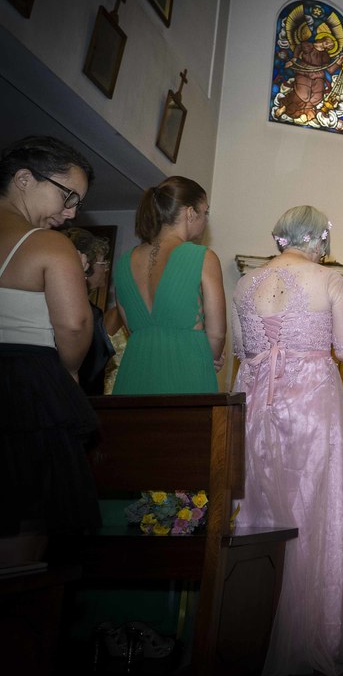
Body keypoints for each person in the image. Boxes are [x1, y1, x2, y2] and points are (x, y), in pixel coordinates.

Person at [233, 206, 343, 676]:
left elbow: (241, 350)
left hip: (255, 401)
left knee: (256, 505)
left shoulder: (244, 283)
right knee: (316, 508)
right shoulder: (327, 280)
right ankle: (316, 631)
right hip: (312, 400)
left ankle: (248, 628)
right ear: (316, 239)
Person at [0, 135, 100, 537]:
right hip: (24, 391)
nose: (72, 212)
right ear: (25, 179)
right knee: (25, 528)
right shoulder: (47, 245)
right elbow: (74, 325)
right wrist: (68, 374)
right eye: (68, 196)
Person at [111, 177, 225, 394]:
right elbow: (217, 333)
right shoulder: (203, 257)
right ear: (190, 213)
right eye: (205, 212)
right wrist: (210, 357)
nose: (206, 220)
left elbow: (130, 327)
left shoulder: (125, 262)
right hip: (187, 369)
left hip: (136, 370)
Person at [65, 227, 114, 396]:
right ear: (86, 265)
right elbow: (91, 370)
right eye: (103, 263)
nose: (106, 269)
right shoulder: (89, 314)